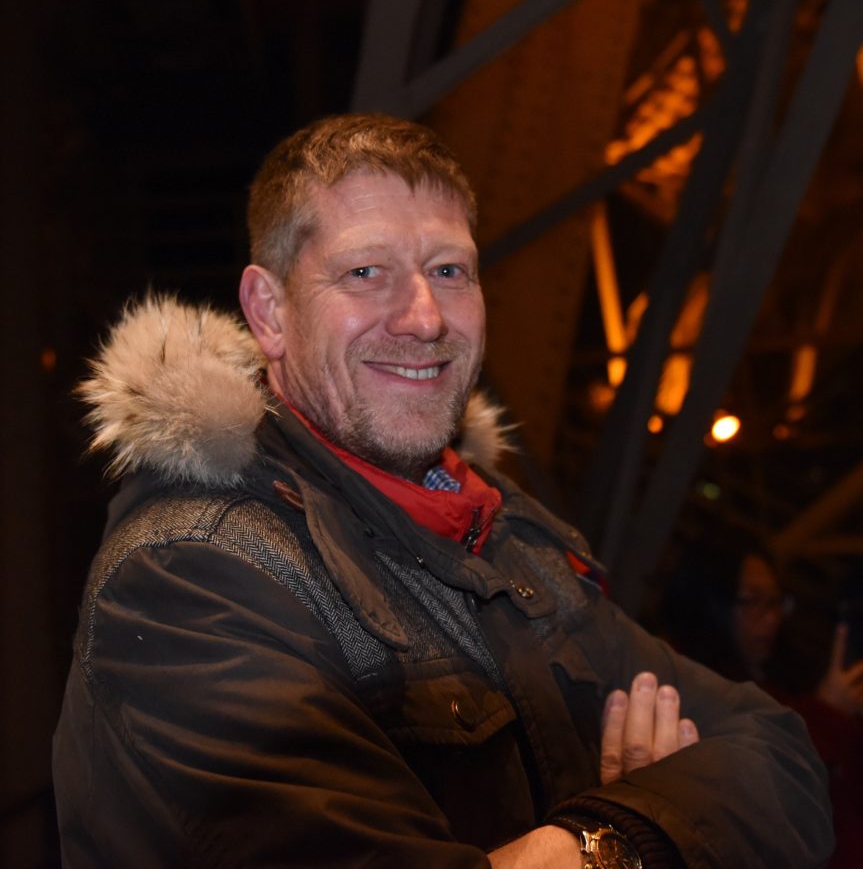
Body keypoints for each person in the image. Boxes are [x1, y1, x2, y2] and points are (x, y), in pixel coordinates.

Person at [53, 114, 833, 868]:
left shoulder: (506, 530)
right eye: (366, 273)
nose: (425, 317)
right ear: (269, 312)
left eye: (449, 271)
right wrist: (626, 840)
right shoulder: (191, 571)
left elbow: (781, 760)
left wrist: (608, 835)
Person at [651, 522, 863, 869]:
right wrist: (827, 714)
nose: (771, 618)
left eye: (776, 602)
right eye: (753, 601)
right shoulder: (684, 686)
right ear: (711, 601)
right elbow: (753, 793)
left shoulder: (783, 673)